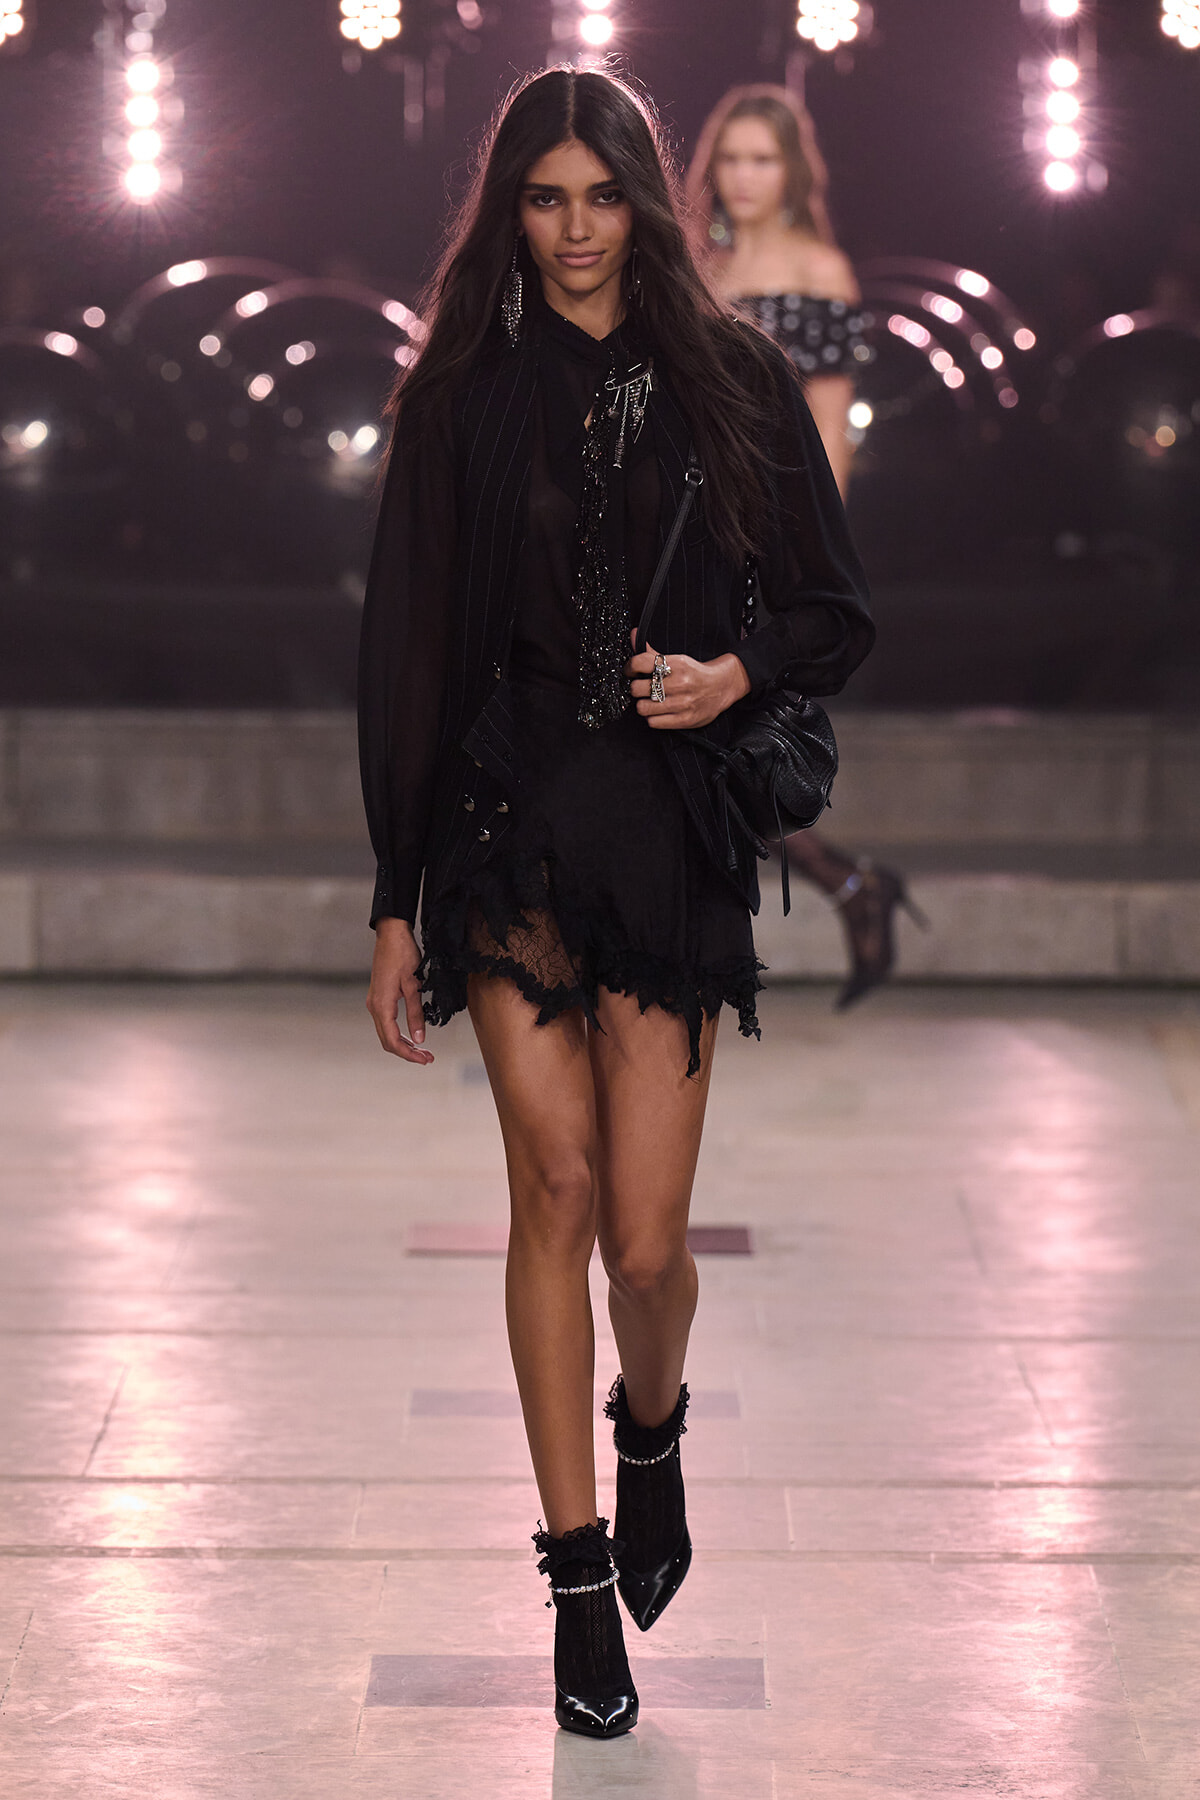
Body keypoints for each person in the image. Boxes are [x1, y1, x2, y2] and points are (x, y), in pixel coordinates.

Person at [358, 67, 872, 1738]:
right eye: (543, 200)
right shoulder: (462, 401)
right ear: (510, 214)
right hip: (505, 829)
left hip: (664, 833)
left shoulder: (729, 378)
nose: (575, 232)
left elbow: (833, 612)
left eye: (599, 197)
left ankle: (649, 1435)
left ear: (642, 203)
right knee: (556, 1190)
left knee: (648, 1246)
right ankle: (579, 1579)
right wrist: (389, 893)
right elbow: (409, 653)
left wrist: (735, 675)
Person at [688, 85, 924, 1006]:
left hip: (768, 537)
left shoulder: (821, 271)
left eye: (762, 158)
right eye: (732, 158)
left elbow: (831, 431)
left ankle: (845, 891)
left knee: (740, 740)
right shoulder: (690, 266)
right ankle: (856, 888)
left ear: (791, 170)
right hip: (681, 532)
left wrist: (810, 555)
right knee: (715, 744)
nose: (744, 177)